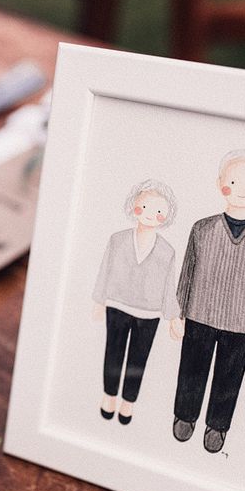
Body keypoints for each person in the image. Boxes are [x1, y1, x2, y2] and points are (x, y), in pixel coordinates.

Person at [173, 149, 245, 453]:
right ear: (220, 184)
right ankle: (185, 415)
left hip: (241, 323)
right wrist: (178, 312)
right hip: (199, 313)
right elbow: (187, 271)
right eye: (233, 181)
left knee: (229, 378)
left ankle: (217, 425)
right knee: (192, 368)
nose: (241, 191)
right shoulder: (202, 229)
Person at [93, 179, 182, 424]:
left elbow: (168, 286)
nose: (151, 215)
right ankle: (109, 395)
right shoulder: (118, 239)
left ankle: (128, 401)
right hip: (118, 305)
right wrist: (99, 300)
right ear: (134, 207)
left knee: (138, 359)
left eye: (159, 211)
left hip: (150, 313)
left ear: (166, 215)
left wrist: (173, 316)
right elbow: (104, 270)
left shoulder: (167, 251)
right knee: (113, 352)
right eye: (145, 207)